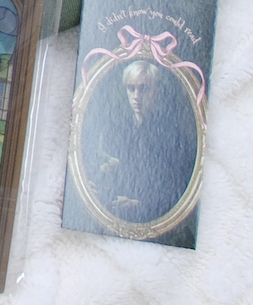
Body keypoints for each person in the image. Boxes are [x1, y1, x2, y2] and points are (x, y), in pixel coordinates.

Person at [83, 58, 198, 227]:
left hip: (154, 221)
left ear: (157, 91)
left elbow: (179, 191)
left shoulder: (173, 135)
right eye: (131, 89)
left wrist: (139, 204)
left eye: (143, 89)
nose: (136, 96)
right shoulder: (114, 129)